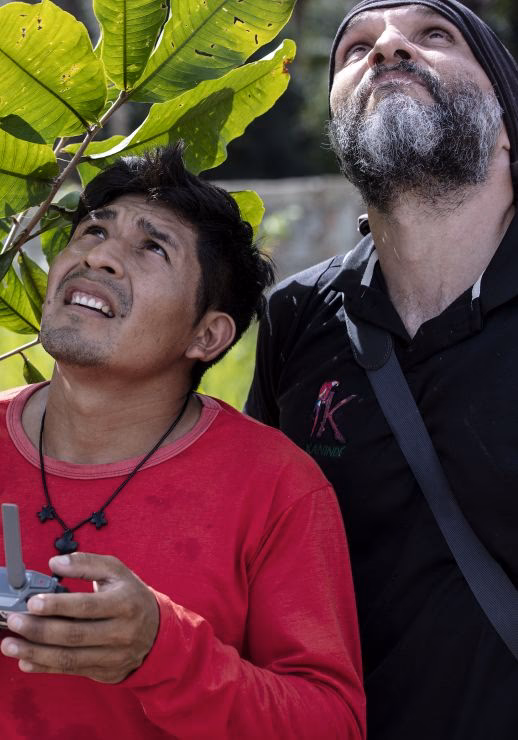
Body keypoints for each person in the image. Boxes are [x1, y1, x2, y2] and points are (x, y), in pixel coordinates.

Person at [0, 145, 366, 739]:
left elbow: (333, 723)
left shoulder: (277, 485)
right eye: (94, 230)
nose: (100, 256)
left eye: (152, 247)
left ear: (206, 335)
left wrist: (162, 651)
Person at [245, 1, 518, 736]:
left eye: (435, 34)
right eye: (355, 48)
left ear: (506, 120)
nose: (388, 47)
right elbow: (248, 550)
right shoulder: (294, 317)